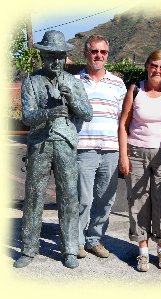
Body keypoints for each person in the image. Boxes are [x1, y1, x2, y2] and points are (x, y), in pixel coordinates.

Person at [13, 30, 93, 269]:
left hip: (66, 144)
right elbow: (27, 117)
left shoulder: (73, 83)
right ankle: (28, 248)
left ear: (65, 57)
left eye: (59, 56)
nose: (55, 61)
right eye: (50, 56)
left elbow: (87, 114)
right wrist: (48, 113)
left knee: (69, 196)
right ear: (43, 57)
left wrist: (73, 101)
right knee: (34, 197)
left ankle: (69, 248)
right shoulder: (32, 81)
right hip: (39, 144)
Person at [118, 50, 161, 272]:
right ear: (147, 65)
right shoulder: (135, 89)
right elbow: (124, 124)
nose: (158, 71)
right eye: (154, 65)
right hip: (136, 151)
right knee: (138, 201)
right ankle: (143, 252)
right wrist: (123, 155)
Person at [74, 34, 127, 259]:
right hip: (83, 149)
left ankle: (94, 239)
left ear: (107, 55)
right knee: (82, 199)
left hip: (110, 150)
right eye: (94, 51)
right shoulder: (74, 82)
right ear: (86, 53)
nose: (99, 56)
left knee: (106, 200)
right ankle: (75, 241)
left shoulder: (118, 84)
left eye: (103, 52)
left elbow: (123, 119)